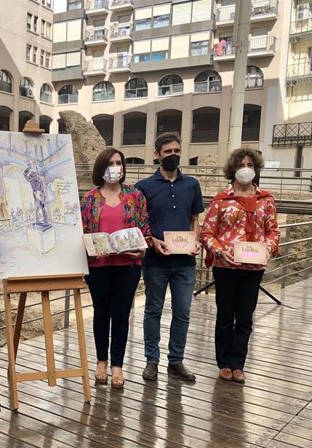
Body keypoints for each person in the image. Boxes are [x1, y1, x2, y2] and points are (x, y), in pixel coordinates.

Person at [200, 148, 280, 383]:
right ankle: (224, 363)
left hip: (253, 269)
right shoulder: (221, 201)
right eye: (241, 165)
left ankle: (238, 363)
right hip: (225, 266)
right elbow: (207, 232)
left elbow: (273, 231)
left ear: (255, 169)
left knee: (245, 316)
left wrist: (267, 248)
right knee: (225, 315)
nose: (245, 169)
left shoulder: (266, 200)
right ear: (233, 170)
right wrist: (219, 251)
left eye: (249, 165)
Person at [135, 132, 204, 382]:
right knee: (153, 310)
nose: (173, 155)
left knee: (183, 312)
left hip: (185, 261)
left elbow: (195, 219)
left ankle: (176, 361)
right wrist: (153, 240)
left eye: (176, 151)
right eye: (167, 152)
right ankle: (151, 360)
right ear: (157, 155)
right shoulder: (143, 187)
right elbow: (139, 224)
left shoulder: (192, 185)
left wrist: (195, 240)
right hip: (155, 261)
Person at [80, 148, 151, 389]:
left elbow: (145, 230)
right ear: (101, 167)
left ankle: (117, 365)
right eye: (110, 163)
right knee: (101, 314)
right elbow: (81, 232)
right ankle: (101, 361)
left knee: (121, 317)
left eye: (119, 162)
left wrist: (142, 248)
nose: (115, 167)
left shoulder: (135, 196)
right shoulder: (89, 199)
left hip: (128, 266)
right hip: (99, 266)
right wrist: (89, 246)